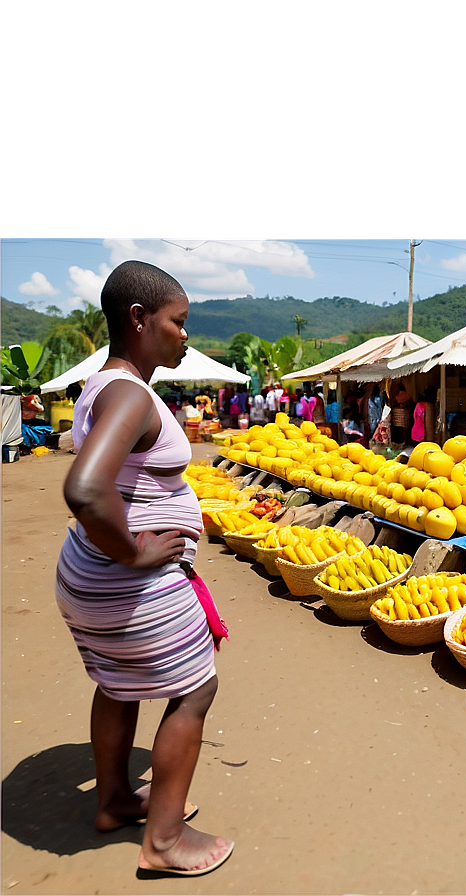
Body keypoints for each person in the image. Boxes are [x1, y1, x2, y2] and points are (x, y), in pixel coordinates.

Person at [54, 260, 234, 875]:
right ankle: (162, 842)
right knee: (194, 689)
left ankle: (111, 800)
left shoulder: (104, 386)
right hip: (126, 580)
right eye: (178, 323)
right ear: (140, 319)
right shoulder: (131, 393)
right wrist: (133, 552)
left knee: (116, 684)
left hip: (91, 573)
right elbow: (84, 489)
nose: (186, 335)